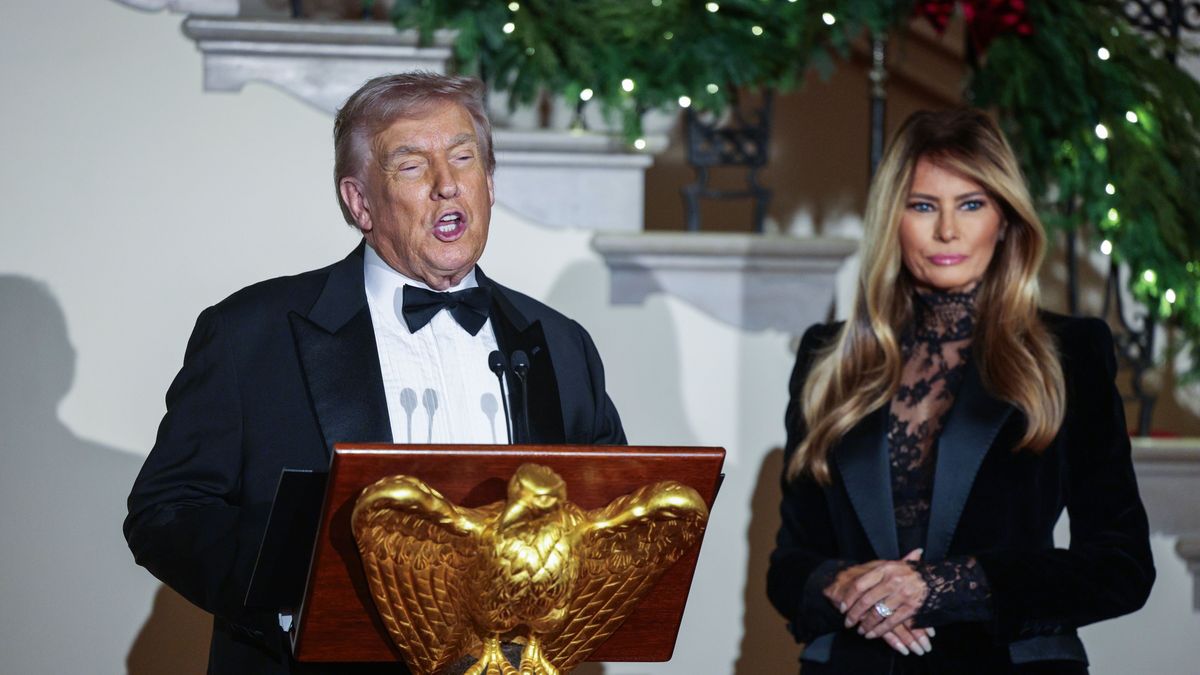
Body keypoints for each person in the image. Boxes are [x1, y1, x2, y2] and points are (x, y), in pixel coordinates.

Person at [124, 72, 626, 674]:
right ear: (359, 202)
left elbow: (608, 516)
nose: (447, 186)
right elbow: (168, 509)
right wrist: (292, 598)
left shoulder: (561, 343)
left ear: (489, 183)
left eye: (464, 159)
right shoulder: (250, 335)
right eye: (411, 167)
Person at [767, 108, 1154, 673]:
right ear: (891, 219)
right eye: (923, 206)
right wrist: (845, 584)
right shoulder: (830, 358)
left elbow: (1122, 567)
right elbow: (789, 565)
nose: (947, 231)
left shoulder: (1069, 352)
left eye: (971, 205)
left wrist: (941, 587)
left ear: (1004, 218)